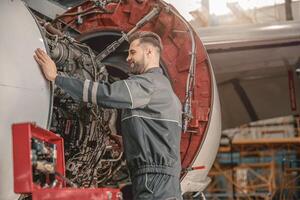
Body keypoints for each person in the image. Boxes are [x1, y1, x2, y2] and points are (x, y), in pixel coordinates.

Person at [34, 31, 183, 200]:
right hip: (167, 181)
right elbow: (160, 134)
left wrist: (58, 78)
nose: (128, 58)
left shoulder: (148, 84)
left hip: (153, 180)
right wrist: (128, 138)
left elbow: (107, 94)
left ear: (149, 52)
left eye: (132, 52)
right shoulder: (170, 94)